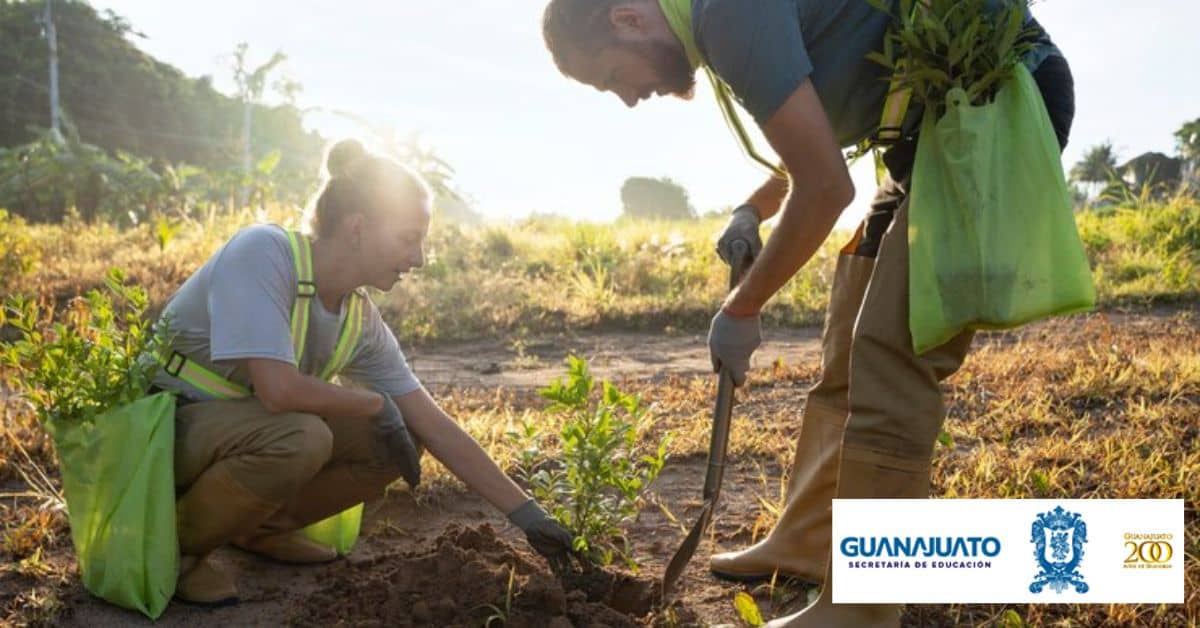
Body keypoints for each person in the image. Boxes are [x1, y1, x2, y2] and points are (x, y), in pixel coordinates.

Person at [541, 1, 1075, 625]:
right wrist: (753, 208)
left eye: (612, 79)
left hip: (991, 110)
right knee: (850, 338)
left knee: (891, 353)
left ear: (627, 19)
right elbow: (817, 132)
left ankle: (864, 606)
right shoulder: (718, 21)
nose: (630, 98)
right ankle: (812, 540)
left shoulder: (726, 13)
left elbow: (825, 188)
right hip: (919, 135)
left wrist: (742, 309)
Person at [152, 139, 575, 606]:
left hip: (240, 437)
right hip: (166, 431)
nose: (419, 259)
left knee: (396, 442)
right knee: (304, 436)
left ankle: (258, 528)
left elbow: (433, 423)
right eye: (408, 238)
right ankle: (179, 551)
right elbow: (277, 390)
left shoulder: (358, 316)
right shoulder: (263, 253)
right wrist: (374, 402)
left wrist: (530, 519)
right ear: (356, 228)